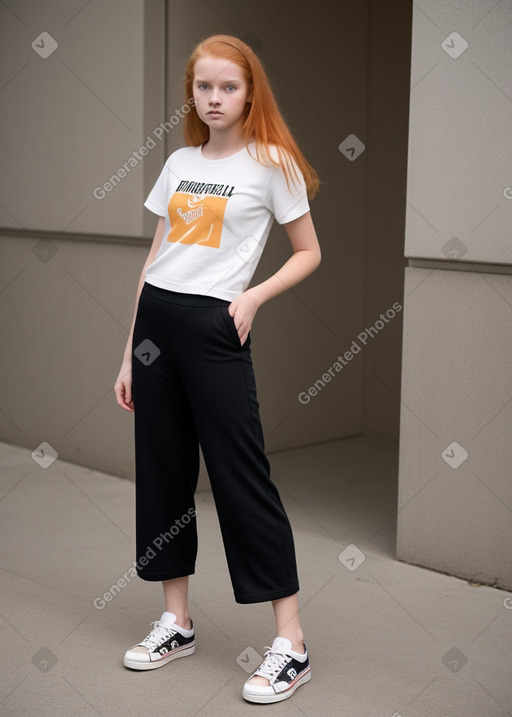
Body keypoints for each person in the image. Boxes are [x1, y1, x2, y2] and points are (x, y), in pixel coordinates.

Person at [114, 33, 321, 705]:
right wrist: (128, 351)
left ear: (249, 91)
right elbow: (155, 259)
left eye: (227, 86)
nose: (214, 97)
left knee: (240, 476)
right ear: (192, 93)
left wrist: (253, 295)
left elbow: (308, 251)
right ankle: (176, 620)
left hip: (214, 326)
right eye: (204, 86)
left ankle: (290, 642)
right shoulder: (177, 161)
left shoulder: (273, 164)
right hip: (157, 329)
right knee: (163, 471)